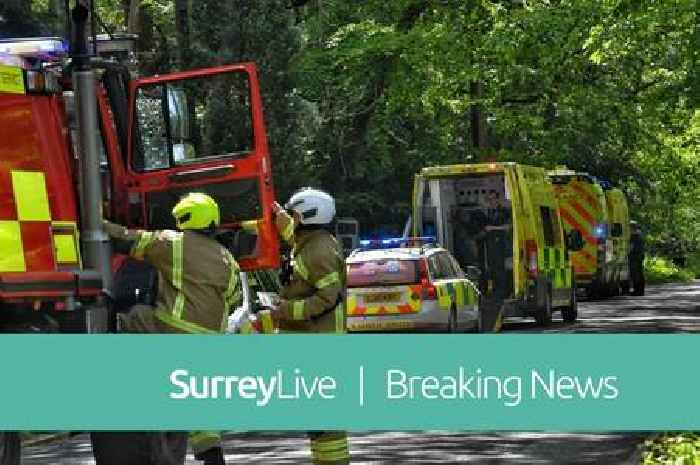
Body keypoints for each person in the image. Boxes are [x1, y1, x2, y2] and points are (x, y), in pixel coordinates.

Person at [91, 192, 241, 465]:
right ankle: (211, 450)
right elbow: (234, 299)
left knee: (130, 316)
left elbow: (129, 239)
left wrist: (95, 222)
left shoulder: (175, 244)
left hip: (174, 330)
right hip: (211, 339)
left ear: (185, 218)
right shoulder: (226, 258)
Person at [271, 188, 349, 465]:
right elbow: (292, 234)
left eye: (294, 213)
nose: (292, 218)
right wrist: (276, 214)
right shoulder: (310, 241)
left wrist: (287, 311)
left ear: (307, 215)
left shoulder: (318, 251)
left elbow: (328, 298)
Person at [629, 221, 646, 296]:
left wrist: (628, 253)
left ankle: (637, 291)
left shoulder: (634, 235)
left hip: (635, 256)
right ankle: (640, 290)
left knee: (635, 273)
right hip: (639, 255)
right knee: (639, 272)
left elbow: (631, 247)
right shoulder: (640, 235)